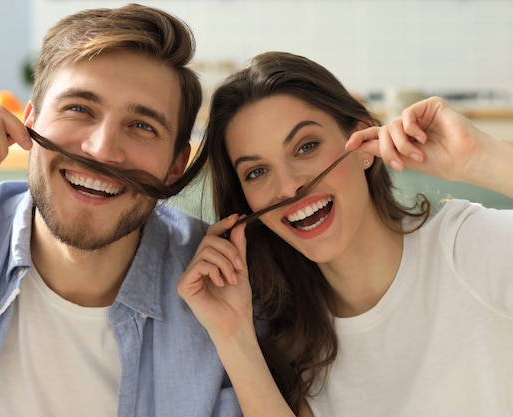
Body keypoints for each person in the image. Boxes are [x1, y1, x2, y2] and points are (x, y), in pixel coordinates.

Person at [0, 5, 242, 417]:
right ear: (29, 123)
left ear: (175, 167)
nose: (102, 150)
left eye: (143, 125)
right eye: (79, 109)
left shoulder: (224, 292)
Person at [178, 51, 513, 416]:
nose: (289, 187)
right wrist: (233, 335)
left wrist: (483, 159)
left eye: (306, 147)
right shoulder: (295, 344)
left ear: (362, 144)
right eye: (257, 172)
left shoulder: (468, 248)